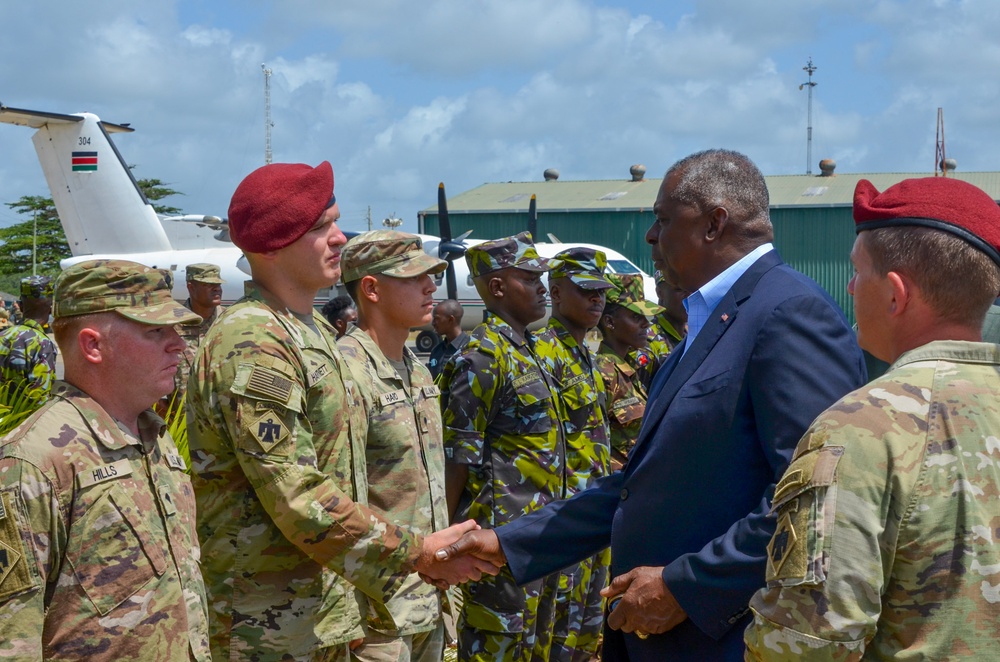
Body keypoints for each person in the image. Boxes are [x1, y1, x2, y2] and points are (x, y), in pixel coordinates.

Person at [437, 149, 867, 661]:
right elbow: (639, 484)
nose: (650, 237)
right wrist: (505, 543)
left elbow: (814, 501)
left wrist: (686, 587)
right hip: (661, 634)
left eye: (663, 220)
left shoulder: (787, 314)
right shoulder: (716, 318)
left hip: (723, 637)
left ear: (713, 223)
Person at [186, 161, 493, 660]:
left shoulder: (312, 335)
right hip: (267, 627)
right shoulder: (253, 339)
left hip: (321, 614)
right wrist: (416, 552)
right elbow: (297, 493)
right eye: (320, 228)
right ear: (271, 245)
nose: (339, 239)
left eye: (335, 223)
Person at [745, 177, 1000, 659]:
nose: (849, 287)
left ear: (895, 295)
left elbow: (809, 641)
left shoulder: (863, 426)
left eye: (858, 272)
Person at [0, 259, 212, 660]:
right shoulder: (34, 462)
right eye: (155, 331)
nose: (178, 344)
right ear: (93, 345)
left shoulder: (154, 437)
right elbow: (11, 639)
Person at [437, 231, 564, 661]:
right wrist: (443, 547)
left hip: (539, 537)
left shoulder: (528, 350)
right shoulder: (482, 357)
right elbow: (457, 459)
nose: (542, 289)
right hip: (499, 546)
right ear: (497, 287)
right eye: (530, 279)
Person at [336, 230, 451, 662]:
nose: (430, 287)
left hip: (427, 597)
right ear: (371, 289)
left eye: (432, 275)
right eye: (413, 277)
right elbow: (337, 499)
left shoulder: (416, 368)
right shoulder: (345, 371)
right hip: (375, 609)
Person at [535, 247, 614, 661]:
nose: (596, 300)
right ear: (557, 292)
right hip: (561, 516)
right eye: (586, 291)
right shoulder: (543, 354)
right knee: (555, 638)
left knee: (586, 633)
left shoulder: (586, 354)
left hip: (592, 516)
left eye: (600, 291)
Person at [595, 273, 663, 468]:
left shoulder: (636, 364)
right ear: (609, 322)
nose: (646, 324)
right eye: (636, 317)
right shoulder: (603, 372)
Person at [172, 263, 224, 399]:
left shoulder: (231, 322)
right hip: (179, 416)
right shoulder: (171, 325)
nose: (217, 289)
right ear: (191, 288)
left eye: (218, 285)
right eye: (208, 285)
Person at [0, 275, 57, 399]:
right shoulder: (43, 344)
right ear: (51, 309)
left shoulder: (2, 336)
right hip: (23, 418)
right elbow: (39, 398)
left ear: (20, 306)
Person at [427, 299, 468, 378]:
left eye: (437, 318)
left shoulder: (470, 349)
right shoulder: (436, 351)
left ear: (451, 319)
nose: (433, 323)